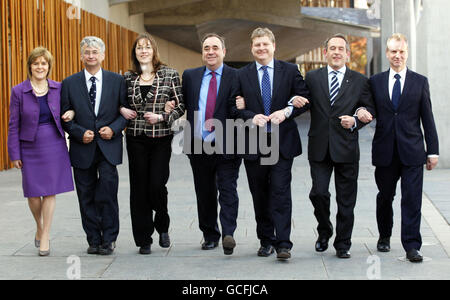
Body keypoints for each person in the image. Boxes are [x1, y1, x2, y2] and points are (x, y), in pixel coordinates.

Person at [292, 34, 375, 259]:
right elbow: (301, 101)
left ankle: (343, 243)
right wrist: (292, 103)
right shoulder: (312, 77)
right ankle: (325, 229)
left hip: (347, 147)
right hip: (319, 147)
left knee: (346, 200)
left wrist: (357, 120)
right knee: (318, 193)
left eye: (341, 49)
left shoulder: (359, 80)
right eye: (332, 48)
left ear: (347, 54)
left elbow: (367, 108)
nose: (336, 52)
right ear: (325, 53)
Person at [232, 27, 310, 260]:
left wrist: (286, 112)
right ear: (252, 48)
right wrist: (249, 116)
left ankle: (283, 244)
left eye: (265, 44)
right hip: (253, 142)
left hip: (281, 141)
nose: (261, 48)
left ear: (274, 46)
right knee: (260, 194)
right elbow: (232, 109)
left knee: (280, 191)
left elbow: (305, 101)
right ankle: (266, 240)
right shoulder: (241, 75)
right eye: (257, 45)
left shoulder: (290, 70)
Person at [365, 33, 439, 263]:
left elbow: (428, 118)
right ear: (387, 54)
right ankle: (384, 235)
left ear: (406, 53)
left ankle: (411, 246)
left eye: (401, 52)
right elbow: (369, 111)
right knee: (385, 197)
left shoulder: (420, 81)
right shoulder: (375, 81)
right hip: (385, 152)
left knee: (412, 199)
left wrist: (433, 150)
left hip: (413, 151)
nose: (397, 55)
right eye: (393, 51)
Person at [61, 36, 128, 255]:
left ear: (103, 55)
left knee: (107, 192)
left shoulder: (117, 81)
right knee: (86, 194)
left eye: (95, 52)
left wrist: (114, 129)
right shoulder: (69, 83)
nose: (91, 56)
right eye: (87, 52)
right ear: (81, 56)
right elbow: (65, 117)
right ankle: (93, 238)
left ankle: (109, 239)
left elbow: (124, 112)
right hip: (82, 148)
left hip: (109, 147)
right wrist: (79, 133)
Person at [119, 33, 185, 255]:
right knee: (139, 188)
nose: (143, 51)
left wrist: (162, 117)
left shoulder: (169, 74)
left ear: (154, 50)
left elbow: (180, 106)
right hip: (136, 138)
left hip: (161, 138)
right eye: (139, 48)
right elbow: (119, 103)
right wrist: (121, 109)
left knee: (156, 184)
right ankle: (144, 238)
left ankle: (163, 225)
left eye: (147, 47)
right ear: (135, 52)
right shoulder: (128, 77)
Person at [7, 47, 74, 256]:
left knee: (50, 192)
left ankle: (45, 235)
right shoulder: (19, 91)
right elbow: (13, 125)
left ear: (49, 66)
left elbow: (69, 108)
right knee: (33, 194)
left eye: (43, 63)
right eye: (36, 63)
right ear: (30, 66)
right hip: (29, 146)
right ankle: (39, 225)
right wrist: (14, 153)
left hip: (54, 143)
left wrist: (71, 112)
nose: (40, 67)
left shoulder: (59, 88)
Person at [182, 33, 242, 255]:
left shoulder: (237, 76)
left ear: (224, 51)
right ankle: (209, 234)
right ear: (202, 52)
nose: (211, 52)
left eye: (215, 47)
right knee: (204, 192)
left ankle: (228, 233)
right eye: (206, 48)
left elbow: (241, 108)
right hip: (198, 144)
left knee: (228, 189)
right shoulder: (190, 76)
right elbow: (182, 103)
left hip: (228, 143)